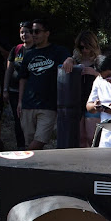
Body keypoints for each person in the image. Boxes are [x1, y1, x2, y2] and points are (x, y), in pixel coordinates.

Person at [17, 18, 71, 150]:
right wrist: (20, 101)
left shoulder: (58, 51)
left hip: (48, 105)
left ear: (47, 33)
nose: (33, 34)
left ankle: (21, 159)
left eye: (37, 31)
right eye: (32, 31)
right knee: (29, 142)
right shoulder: (29, 54)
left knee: (39, 140)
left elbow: (70, 59)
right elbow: (23, 78)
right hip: (28, 104)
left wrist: (70, 60)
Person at [64, 31, 101, 147]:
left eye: (87, 47)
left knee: (92, 137)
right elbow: (65, 68)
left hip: (93, 100)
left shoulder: (99, 61)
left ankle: (95, 156)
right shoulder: (76, 60)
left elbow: (110, 79)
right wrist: (69, 60)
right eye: (81, 47)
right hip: (77, 101)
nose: (85, 50)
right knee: (80, 137)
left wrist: (95, 73)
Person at [3, 21, 33, 150]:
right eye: (22, 32)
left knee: (30, 119)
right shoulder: (16, 49)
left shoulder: (36, 49)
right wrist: (5, 89)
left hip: (30, 92)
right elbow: (9, 70)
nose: (24, 34)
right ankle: (20, 146)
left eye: (27, 32)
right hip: (14, 90)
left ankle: (31, 145)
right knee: (18, 119)